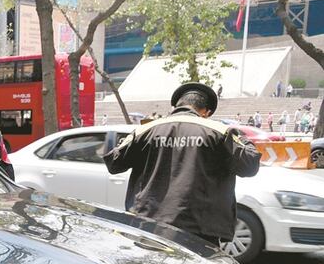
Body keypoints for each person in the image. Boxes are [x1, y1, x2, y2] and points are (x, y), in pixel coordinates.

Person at [103, 83, 261, 245]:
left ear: (174, 107)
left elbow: (114, 163)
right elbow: (250, 165)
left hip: (148, 226)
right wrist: (241, 139)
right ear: (206, 112)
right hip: (198, 230)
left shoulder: (146, 130)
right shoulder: (219, 132)